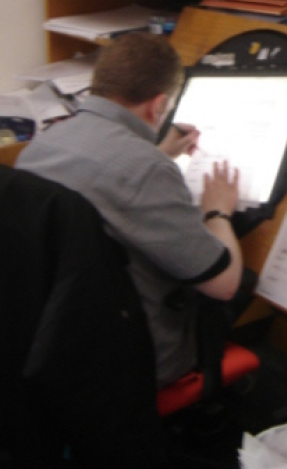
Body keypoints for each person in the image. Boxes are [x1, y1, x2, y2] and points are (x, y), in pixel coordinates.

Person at [16, 33, 245, 388]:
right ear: (158, 106)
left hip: (48, 335)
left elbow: (104, 181)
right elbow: (224, 285)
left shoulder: (43, 143)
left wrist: (159, 153)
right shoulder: (148, 170)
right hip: (133, 356)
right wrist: (218, 212)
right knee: (243, 281)